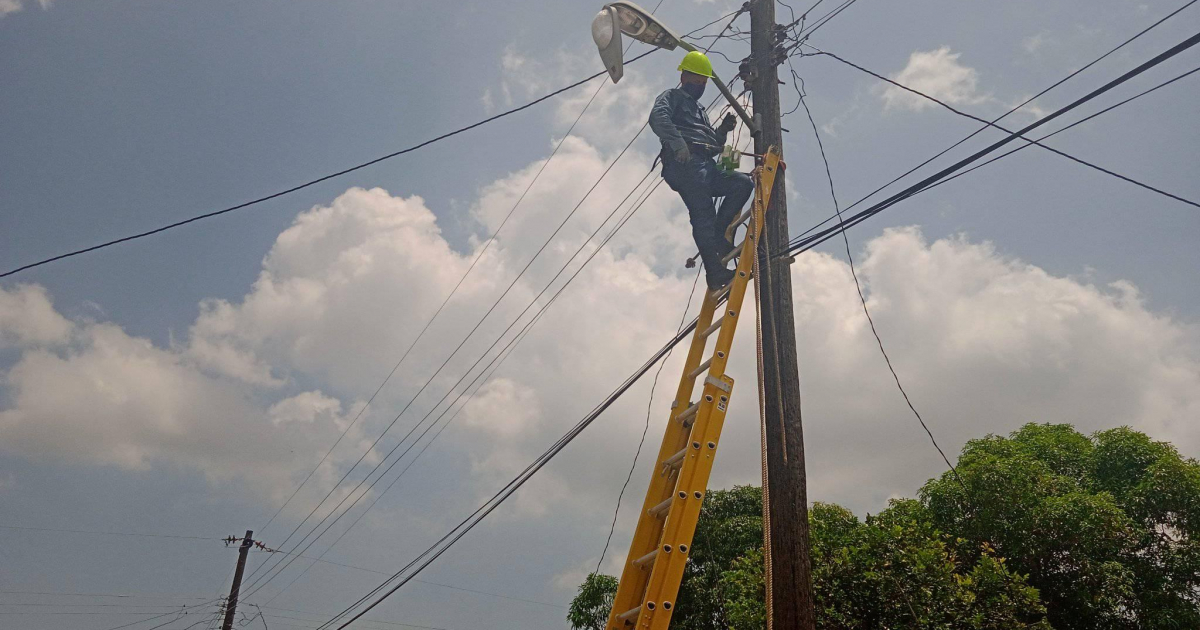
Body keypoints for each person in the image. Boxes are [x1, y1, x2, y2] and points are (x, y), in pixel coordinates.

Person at [649, 50, 754, 290]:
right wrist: (678, 144)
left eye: (703, 82)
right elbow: (657, 118)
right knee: (703, 214)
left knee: (742, 183)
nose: (700, 85)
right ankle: (715, 273)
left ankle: (719, 235)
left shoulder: (701, 111)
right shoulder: (672, 97)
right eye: (696, 80)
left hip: (707, 165)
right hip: (685, 166)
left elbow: (713, 147)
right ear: (684, 77)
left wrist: (723, 131)